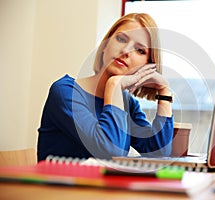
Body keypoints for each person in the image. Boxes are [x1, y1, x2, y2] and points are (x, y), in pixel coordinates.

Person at [37, 13, 174, 161]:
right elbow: (110, 154)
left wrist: (164, 90)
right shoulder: (65, 92)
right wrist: (114, 86)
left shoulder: (128, 104)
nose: (126, 51)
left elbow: (159, 153)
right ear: (105, 45)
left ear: (147, 65)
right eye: (121, 39)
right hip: (59, 184)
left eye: (140, 50)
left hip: (104, 184)